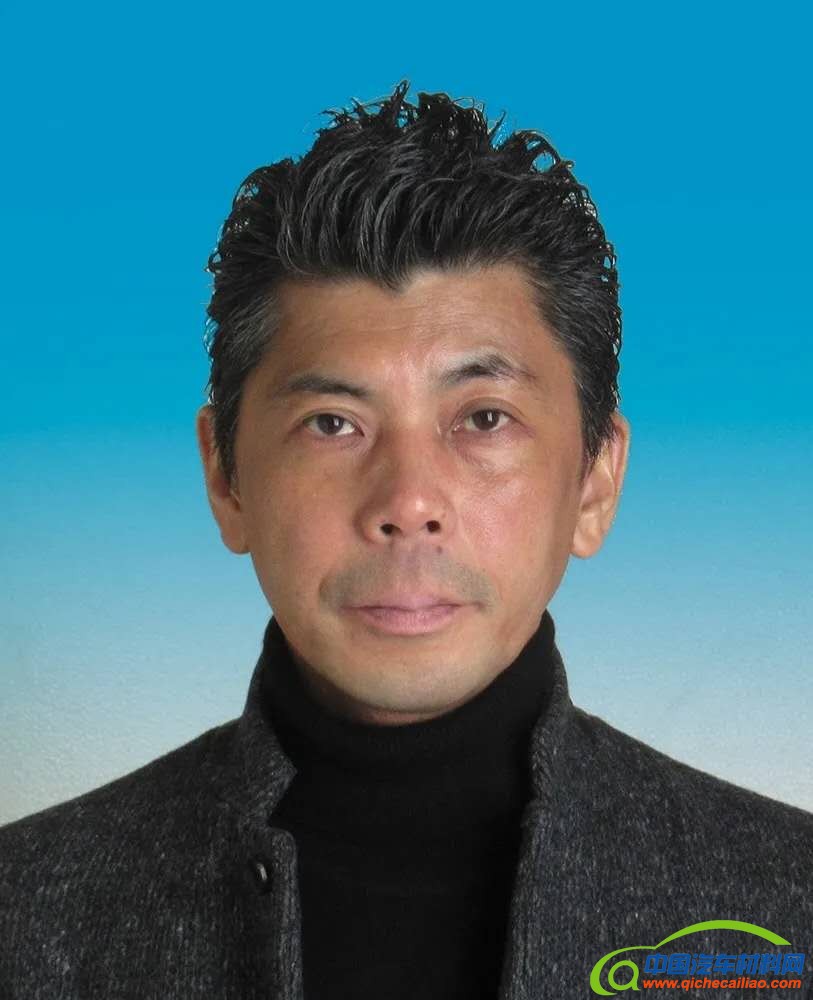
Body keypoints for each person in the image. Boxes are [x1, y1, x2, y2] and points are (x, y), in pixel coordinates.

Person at [1, 80, 810, 999]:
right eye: (332, 423)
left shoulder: (787, 908)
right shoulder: (25, 918)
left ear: (595, 479)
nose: (408, 502)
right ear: (226, 476)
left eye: (484, 417)